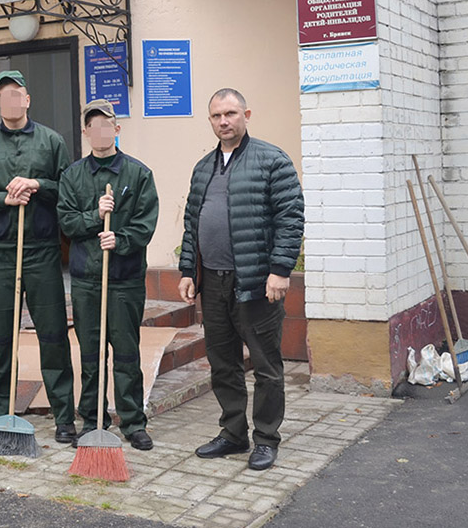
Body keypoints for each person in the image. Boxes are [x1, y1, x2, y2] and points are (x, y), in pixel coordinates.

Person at [177, 88, 304, 470]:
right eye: (217, 116)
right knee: (223, 362)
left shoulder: (271, 160)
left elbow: (290, 218)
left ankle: (266, 439)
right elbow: (191, 223)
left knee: (266, 365)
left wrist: (280, 270)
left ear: (246, 114)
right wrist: (188, 271)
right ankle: (233, 433)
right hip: (212, 283)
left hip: (255, 283)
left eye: (230, 113)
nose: (224, 122)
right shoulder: (203, 167)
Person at [0, 70, 76, 443]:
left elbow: (69, 190)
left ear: (27, 99)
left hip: (42, 251)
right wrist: (4, 199)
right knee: (2, 338)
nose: (10, 101)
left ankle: (64, 416)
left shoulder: (51, 141)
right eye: (3, 95)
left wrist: (37, 184)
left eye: (17, 94)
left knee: (53, 335)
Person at [57, 99, 159, 451]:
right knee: (90, 355)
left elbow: (146, 224)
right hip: (87, 280)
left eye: (107, 125)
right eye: (92, 125)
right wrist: (93, 215)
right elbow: (66, 222)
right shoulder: (72, 176)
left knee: (127, 353)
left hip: (125, 280)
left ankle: (133, 422)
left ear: (116, 129)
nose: (100, 131)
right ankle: (92, 421)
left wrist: (121, 239)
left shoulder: (138, 174)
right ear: (85, 132)